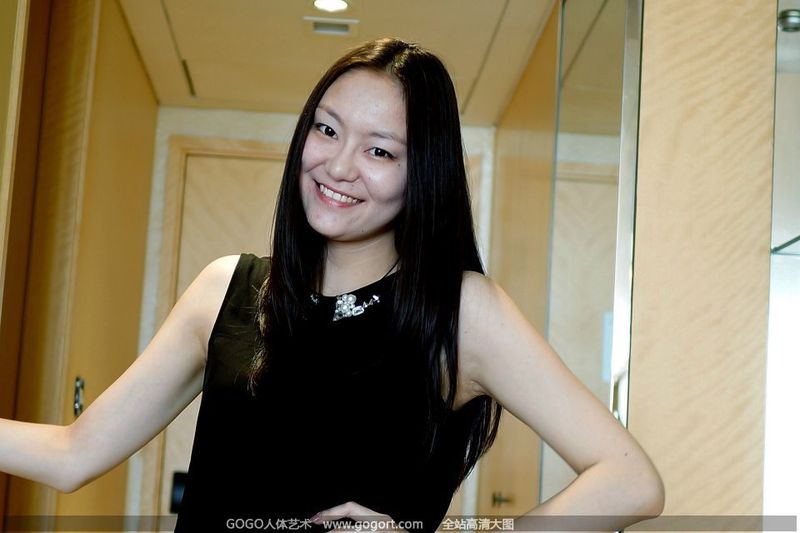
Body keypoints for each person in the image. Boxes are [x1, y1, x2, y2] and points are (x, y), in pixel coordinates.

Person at [0, 38, 664, 532]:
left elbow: (630, 479)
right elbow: (73, 453)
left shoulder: (460, 312)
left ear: (422, 175)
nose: (339, 166)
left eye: (380, 151)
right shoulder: (226, 291)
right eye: (326, 129)